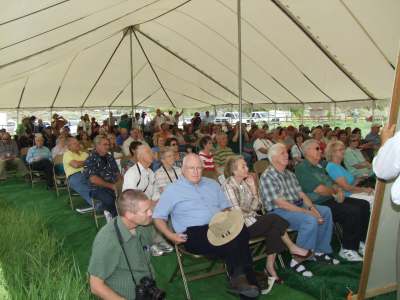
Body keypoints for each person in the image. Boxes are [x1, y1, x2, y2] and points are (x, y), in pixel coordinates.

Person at [153, 154, 260, 298]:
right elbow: (158, 217)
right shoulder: (172, 190)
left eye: (199, 168)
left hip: (218, 225)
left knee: (241, 230)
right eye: (191, 168)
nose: (196, 172)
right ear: (183, 170)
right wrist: (170, 235)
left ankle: (242, 280)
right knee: (232, 241)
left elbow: (225, 208)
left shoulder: (212, 184)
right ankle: (246, 279)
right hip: (193, 233)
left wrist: (229, 221)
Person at [223, 155, 312, 282]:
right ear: (234, 171)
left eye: (246, 165)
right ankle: (292, 247)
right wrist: (250, 209)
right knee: (274, 219)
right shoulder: (228, 186)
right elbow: (237, 214)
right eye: (243, 166)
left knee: (274, 230)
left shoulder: (244, 183)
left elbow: (258, 206)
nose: (247, 168)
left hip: (250, 220)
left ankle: (270, 267)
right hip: (239, 227)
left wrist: (254, 189)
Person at [260, 144, 338, 273]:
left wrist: (312, 208)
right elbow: (281, 203)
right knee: (309, 219)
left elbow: (302, 194)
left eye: (286, 152)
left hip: (297, 205)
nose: (287, 155)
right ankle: (297, 260)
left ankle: (319, 251)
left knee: (325, 211)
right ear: (273, 158)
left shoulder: (290, 174)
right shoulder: (268, 176)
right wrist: (308, 212)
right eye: (282, 153)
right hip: (278, 212)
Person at [295, 139, 370, 262]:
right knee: (352, 210)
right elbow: (320, 190)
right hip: (318, 203)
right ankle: (347, 249)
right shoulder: (302, 168)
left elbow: (333, 183)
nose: (321, 151)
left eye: (320, 148)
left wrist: (338, 190)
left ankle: (359, 241)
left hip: (330, 198)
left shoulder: (319, 166)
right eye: (317, 148)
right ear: (307, 152)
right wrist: (336, 191)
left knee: (364, 204)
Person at [88, 190, 156, 300]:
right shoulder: (107, 240)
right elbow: (95, 286)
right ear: (129, 215)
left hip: (148, 290)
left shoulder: (144, 226)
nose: (150, 213)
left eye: (150, 209)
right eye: (146, 211)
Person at [122, 145, 173, 256]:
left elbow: (155, 193)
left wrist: (158, 202)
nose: (152, 154)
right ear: (140, 156)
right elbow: (129, 197)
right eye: (148, 152)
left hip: (148, 204)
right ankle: (151, 244)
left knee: (165, 208)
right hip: (134, 207)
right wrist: (149, 204)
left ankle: (160, 240)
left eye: (151, 152)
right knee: (153, 213)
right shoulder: (132, 173)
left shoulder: (150, 172)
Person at [84, 135, 121, 218]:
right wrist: (112, 186)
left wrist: (120, 184)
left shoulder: (110, 157)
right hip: (97, 188)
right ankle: (115, 219)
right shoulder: (90, 159)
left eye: (108, 144)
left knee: (126, 197)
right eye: (105, 144)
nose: (108, 147)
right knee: (110, 200)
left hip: (113, 185)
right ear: (97, 145)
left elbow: (117, 173)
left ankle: (104, 209)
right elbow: (93, 179)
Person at [63, 138, 91, 206]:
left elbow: (93, 163)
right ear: (69, 146)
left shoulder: (84, 154)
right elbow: (76, 165)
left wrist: (83, 163)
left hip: (88, 173)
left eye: (78, 142)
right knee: (84, 187)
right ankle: (99, 206)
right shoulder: (67, 154)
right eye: (74, 143)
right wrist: (87, 162)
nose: (78, 144)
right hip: (74, 176)